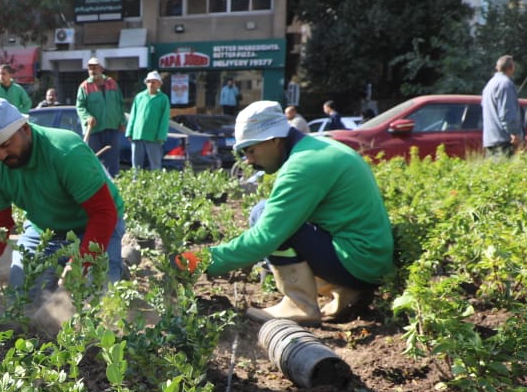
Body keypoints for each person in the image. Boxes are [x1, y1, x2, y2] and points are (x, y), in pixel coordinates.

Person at [182, 101, 393, 325]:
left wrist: (197, 262)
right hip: (370, 259)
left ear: (274, 139)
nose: (249, 160)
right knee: (271, 213)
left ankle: (300, 305)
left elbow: (263, 240)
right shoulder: (318, 148)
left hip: (360, 264)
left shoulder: (304, 165)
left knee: (263, 213)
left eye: (251, 150)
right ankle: (345, 292)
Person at [0, 98, 126, 293]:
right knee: (22, 299)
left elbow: (103, 213)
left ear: (25, 129)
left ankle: (116, 263)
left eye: (6, 144)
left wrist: (80, 263)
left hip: (94, 224)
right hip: (44, 231)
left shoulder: (65, 152)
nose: (2, 155)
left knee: (94, 296)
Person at [75, 57, 124, 177]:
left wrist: (122, 121)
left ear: (101, 68)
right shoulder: (84, 87)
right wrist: (87, 117)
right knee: (93, 160)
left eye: (95, 67)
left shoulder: (112, 83)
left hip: (112, 128)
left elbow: (120, 104)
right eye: (90, 68)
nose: (92, 70)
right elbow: (80, 107)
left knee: (112, 161)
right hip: (94, 131)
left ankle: (113, 185)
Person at [126, 70, 170, 172]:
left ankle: (155, 185)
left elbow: (164, 119)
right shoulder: (139, 97)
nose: (151, 84)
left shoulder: (163, 99)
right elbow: (133, 115)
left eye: (154, 82)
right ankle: (136, 184)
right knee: (136, 165)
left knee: (155, 164)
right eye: (149, 81)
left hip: (153, 137)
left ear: (159, 84)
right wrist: (129, 131)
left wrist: (161, 136)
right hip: (137, 135)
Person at [481, 54, 522, 156]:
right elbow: (506, 113)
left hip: (489, 140)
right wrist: (514, 133)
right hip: (503, 141)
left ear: (497, 68)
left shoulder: (489, 85)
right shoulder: (506, 84)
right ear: (511, 68)